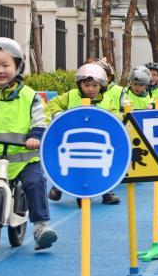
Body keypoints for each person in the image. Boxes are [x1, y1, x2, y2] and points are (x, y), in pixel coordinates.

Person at [0, 38, 56, 250]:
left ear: (18, 66)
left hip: (24, 159)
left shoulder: (30, 96)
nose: (0, 70)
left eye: (6, 65)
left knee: (35, 183)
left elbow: (42, 120)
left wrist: (36, 136)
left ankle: (40, 226)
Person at [46, 63, 122, 205]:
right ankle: (58, 185)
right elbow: (52, 103)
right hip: (74, 139)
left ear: (101, 85)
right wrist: (58, 113)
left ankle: (107, 192)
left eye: (94, 85)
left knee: (105, 164)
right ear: (80, 84)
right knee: (64, 161)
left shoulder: (107, 100)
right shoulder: (71, 95)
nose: (90, 89)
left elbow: (117, 115)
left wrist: (108, 119)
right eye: (86, 85)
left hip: (96, 141)